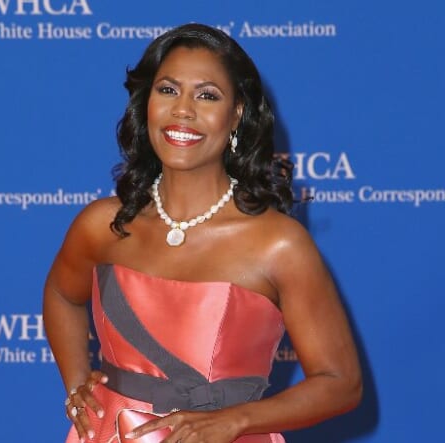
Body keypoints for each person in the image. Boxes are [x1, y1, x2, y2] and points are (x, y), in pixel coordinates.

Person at [43, 23, 361, 443]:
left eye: (207, 95)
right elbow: (62, 294)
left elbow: (340, 382)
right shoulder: (103, 224)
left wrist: (235, 420)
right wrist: (76, 384)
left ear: (237, 114)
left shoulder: (278, 244)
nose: (183, 110)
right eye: (168, 90)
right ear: (147, 103)